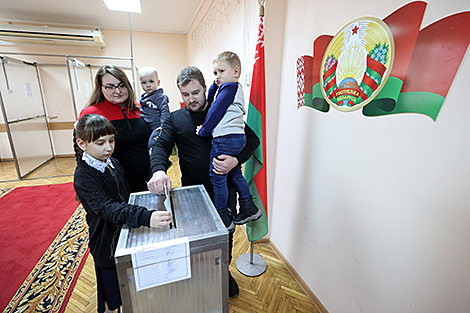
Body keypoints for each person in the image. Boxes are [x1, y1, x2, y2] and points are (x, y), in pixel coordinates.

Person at [147, 66, 260, 299]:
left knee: (225, 235)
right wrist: (158, 170)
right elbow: (160, 147)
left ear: (206, 87)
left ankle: (223, 271)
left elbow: (252, 140)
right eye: (185, 95)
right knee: (196, 239)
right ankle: (199, 273)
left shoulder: (224, 110)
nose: (191, 99)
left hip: (224, 189)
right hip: (193, 193)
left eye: (196, 93)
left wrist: (235, 160)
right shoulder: (174, 119)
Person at [73, 114, 172, 313]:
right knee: (113, 299)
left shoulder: (114, 163)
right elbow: (107, 208)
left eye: (111, 140)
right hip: (106, 243)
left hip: (124, 236)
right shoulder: (84, 175)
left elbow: (125, 197)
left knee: (130, 290)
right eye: (100, 143)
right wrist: (145, 216)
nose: (108, 147)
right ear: (82, 143)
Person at [196, 51, 261, 231]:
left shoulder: (230, 88)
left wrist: (203, 131)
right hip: (236, 138)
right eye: (215, 73)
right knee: (234, 173)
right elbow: (212, 100)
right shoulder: (230, 88)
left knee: (217, 177)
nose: (217, 76)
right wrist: (213, 87)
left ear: (236, 72)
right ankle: (248, 206)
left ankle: (222, 216)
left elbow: (215, 111)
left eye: (221, 71)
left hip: (225, 139)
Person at [79, 64, 151, 193]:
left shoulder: (140, 108)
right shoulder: (92, 113)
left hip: (147, 179)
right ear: (101, 89)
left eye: (121, 85)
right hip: (115, 184)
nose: (117, 91)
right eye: (110, 87)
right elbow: (82, 153)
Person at [138, 66, 170, 149]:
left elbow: (165, 111)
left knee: (153, 144)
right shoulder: (143, 98)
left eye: (151, 81)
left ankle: (163, 159)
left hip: (157, 126)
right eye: (144, 83)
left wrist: (163, 126)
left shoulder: (160, 97)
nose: (148, 85)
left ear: (158, 82)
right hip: (146, 126)